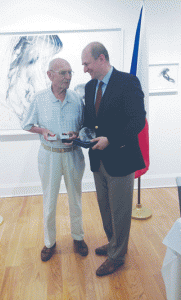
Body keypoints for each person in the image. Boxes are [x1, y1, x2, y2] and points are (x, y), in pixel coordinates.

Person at [81, 42, 146, 276]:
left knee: (119, 210)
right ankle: (114, 242)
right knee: (105, 208)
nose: (85, 69)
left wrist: (111, 139)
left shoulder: (128, 82)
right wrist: (77, 133)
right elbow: (90, 121)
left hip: (121, 157)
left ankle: (117, 256)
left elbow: (138, 120)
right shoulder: (89, 88)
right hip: (98, 160)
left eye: (86, 64)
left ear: (101, 59)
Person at [22, 58, 88, 262]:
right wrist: (42, 130)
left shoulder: (77, 98)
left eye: (70, 73)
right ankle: (49, 242)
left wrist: (77, 134)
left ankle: (78, 237)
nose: (68, 77)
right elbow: (27, 124)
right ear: (50, 75)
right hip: (49, 155)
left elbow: (86, 127)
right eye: (63, 73)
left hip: (73, 155)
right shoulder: (39, 99)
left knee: (75, 200)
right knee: (49, 201)